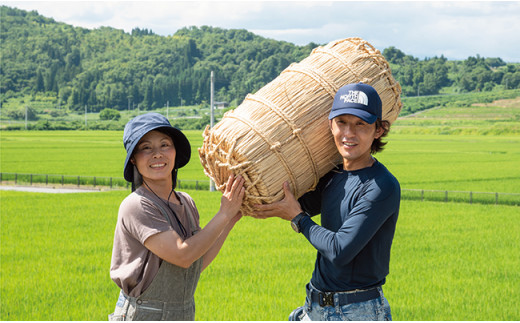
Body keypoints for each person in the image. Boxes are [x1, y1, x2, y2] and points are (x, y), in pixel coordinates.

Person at [254, 83, 401, 321]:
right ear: (330, 125)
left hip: (356, 312)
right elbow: (297, 202)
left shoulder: (381, 186)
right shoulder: (333, 175)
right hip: (315, 307)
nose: (349, 133)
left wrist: (298, 219)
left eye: (360, 124)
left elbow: (339, 250)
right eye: (342, 122)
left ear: (378, 130)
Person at [109, 112, 245, 321]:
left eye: (165, 145)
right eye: (146, 147)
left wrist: (230, 219)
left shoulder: (186, 202)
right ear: (134, 159)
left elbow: (196, 262)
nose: (157, 154)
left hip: (183, 312)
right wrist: (223, 213)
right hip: (144, 314)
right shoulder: (136, 205)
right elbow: (183, 255)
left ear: (175, 151)